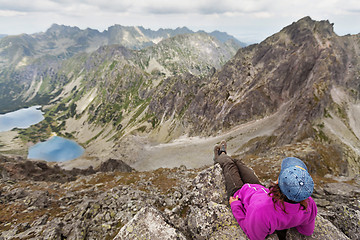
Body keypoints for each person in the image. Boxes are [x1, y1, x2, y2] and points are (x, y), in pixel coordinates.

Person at [213, 140, 318, 240]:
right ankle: (223, 155)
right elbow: (307, 231)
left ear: (278, 183)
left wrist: (235, 205)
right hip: (259, 189)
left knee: (229, 165)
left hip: (239, 194)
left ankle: (220, 155)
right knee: (238, 162)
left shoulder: (261, 210)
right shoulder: (309, 204)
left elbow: (254, 236)